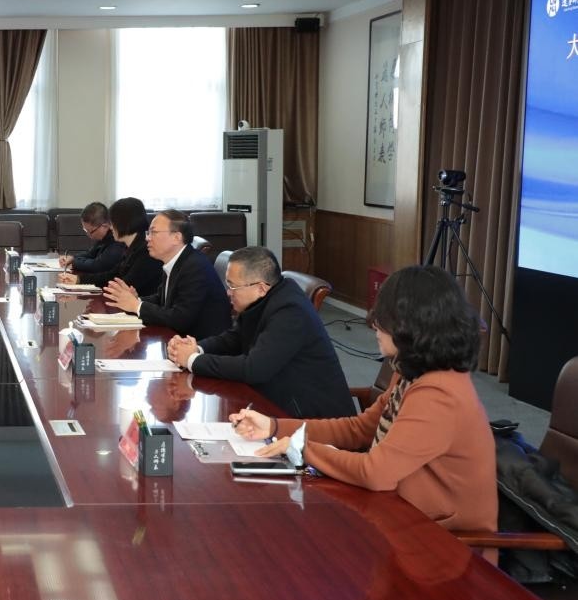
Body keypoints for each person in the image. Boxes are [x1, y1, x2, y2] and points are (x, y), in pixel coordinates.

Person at [231, 265, 495, 532]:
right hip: (401, 513)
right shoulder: (411, 371)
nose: (374, 325)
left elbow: (375, 473)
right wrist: (274, 426)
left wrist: (302, 449)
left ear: (413, 325)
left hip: (441, 542)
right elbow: (359, 429)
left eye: (385, 318)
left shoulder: (439, 393)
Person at [167, 246, 351, 419]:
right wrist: (196, 348)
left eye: (233, 286)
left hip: (312, 419)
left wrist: (192, 360)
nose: (228, 293)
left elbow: (254, 369)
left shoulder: (290, 311)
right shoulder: (263, 299)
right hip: (274, 400)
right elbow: (234, 338)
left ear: (261, 288)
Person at [103, 209, 231, 338]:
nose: (147, 238)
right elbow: (162, 299)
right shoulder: (176, 260)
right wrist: (135, 299)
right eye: (148, 233)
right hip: (179, 339)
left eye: (153, 232)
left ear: (176, 237)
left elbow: (180, 319)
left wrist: (136, 306)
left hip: (202, 344)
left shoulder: (195, 266)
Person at [57, 197, 164, 295]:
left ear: (125, 222)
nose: (111, 227)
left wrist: (80, 280)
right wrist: (79, 279)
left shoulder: (146, 251)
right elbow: (112, 275)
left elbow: (123, 285)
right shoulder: (131, 247)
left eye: (113, 222)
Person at [58, 202, 125, 274]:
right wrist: (72, 258)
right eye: (86, 230)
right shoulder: (104, 237)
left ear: (104, 226)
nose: (88, 235)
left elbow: (98, 266)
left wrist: (74, 262)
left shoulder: (116, 240)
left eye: (91, 231)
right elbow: (91, 254)